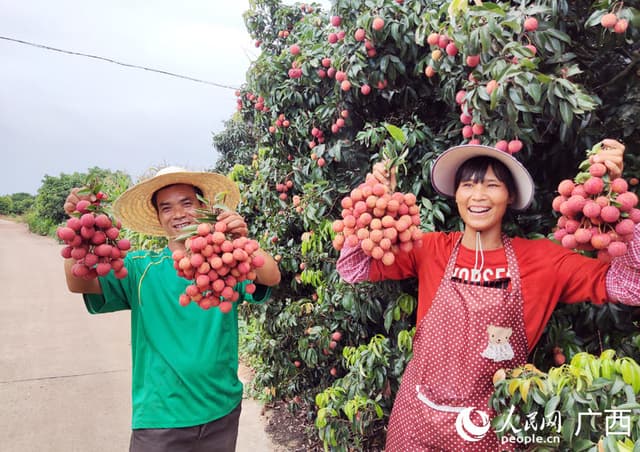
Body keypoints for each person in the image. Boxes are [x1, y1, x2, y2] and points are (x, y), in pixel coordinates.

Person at [337, 139, 640, 451]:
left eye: (492, 185)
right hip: (417, 420)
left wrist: (615, 204)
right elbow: (352, 267)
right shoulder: (430, 248)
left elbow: (632, 286)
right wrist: (373, 202)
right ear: (456, 195)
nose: (478, 195)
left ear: (509, 196)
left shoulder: (543, 260)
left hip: (492, 429)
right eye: (467, 185)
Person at [62, 166, 281, 452]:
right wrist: (78, 229)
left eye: (187, 203)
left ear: (204, 207)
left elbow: (271, 276)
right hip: (160, 418)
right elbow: (79, 282)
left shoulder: (225, 264)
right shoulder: (140, 268)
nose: (177, 213)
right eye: (166, 207)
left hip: (222, 409)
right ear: (158, 217)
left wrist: (240, 239)